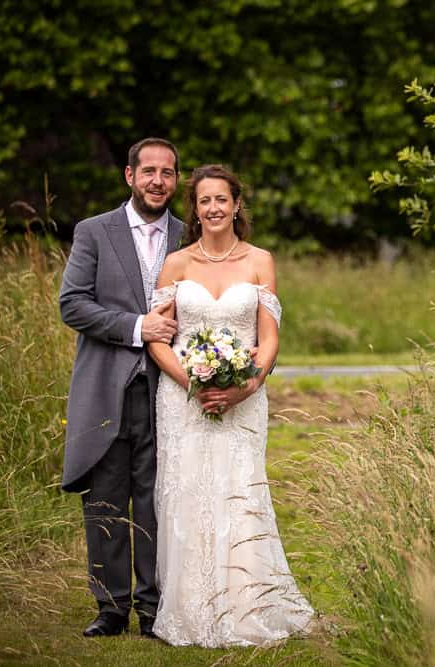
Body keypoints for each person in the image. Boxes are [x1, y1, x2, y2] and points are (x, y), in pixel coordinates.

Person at [146, 164, 314, 647]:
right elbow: (159, 340)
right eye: (204, 201)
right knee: (187, 493)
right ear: (194, 211)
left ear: (237, 205)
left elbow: (269, 339)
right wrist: (193, 385)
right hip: (183, 399)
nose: (213, 208)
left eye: (222, 199)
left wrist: (245, 387)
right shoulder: (177, 264)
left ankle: (249, 604)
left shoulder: (261, 260)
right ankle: (189, 608)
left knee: (240, 493)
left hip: (243, 399)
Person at [59, 137, 183, 638]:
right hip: (107, 387)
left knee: (159, 498)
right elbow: (73, 305)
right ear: (129, 176)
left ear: (176, 179)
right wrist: (138, 328)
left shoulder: (188, 236)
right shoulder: (93, 232)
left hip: (170, 391)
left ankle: (156, 608)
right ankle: (111, 608)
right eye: (148, 171)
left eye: (168, 173)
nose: (158, 180)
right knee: (106, 497)